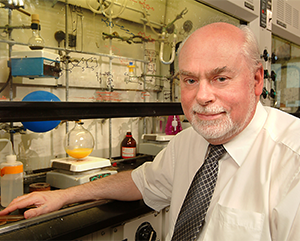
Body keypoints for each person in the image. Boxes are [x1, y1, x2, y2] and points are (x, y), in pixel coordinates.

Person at [1, 22, 300, 241]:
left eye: (220, 78)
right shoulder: (188, 144)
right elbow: (139, 182)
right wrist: (66, 196)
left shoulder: (292, 161)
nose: (202, 96)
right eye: (190, 80)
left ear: (257, 79)